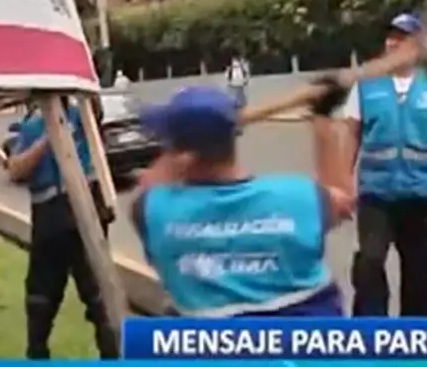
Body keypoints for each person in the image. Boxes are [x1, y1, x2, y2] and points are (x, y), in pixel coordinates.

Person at [131, 81, 354, 317]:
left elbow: (150, 184)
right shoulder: (300, 197)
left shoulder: (154, 211)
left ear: (180, 155)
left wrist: (174, 158)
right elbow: (343, 200)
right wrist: (323, 121)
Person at [342, 12, 427, 317]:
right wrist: (342, 183)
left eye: (402, 37)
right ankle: (371, 337)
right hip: (375, 195)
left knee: (419, 277)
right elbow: (351, 136)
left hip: (422, 196)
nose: (393, 42)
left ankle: (417, 344)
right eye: (390, 36)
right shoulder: (366, 85)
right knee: (369, 266)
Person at [5, 96, 118, 360]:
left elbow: (95, 107)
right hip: (50, 219)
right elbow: (15, 170)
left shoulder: (84, 115)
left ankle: (111, 355)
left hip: (85, 212)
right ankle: (37, 353)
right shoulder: (33, 125)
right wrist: (48, 138)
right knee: (40, 298)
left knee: (99, 297)